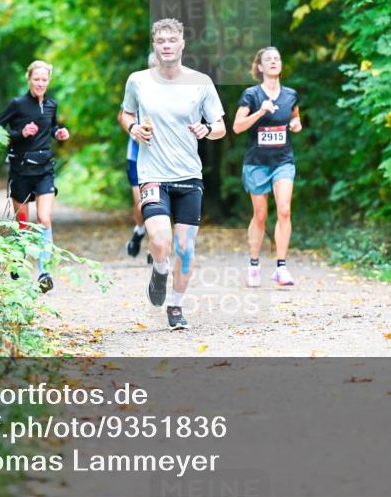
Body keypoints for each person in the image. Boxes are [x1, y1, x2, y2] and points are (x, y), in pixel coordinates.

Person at [119, 18, 226, 330]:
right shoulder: (138, 81)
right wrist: (133, 127)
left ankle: (176, 307)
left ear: (182, 44)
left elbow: (220, 126)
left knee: (186, 250)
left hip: (190, 176)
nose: (166, 45)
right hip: (153, 173)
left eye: (172, 40)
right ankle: (160, 269)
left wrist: (206, 129)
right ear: (155, 46)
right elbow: (124, 113)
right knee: (160, 240)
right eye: (161, 41)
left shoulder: (200, 82)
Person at [0, 60, 70, 293]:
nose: (40, 83)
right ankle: (18, 265)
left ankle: (44, 272)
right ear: (29, 79)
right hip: (21, 169)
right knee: (23, 224)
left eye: (44, 79)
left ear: (48, 81)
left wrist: (60, 133)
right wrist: (20, 133)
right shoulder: (17, 104)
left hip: (44, 168)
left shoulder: (51, 105)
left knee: (45, 219)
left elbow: (53, 128)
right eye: (36, 79)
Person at [232, 46, 302, 287]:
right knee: (260, 215)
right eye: (268, 59)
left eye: (277, 58)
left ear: (281, 65)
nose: (273, 62)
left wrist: (296, 124)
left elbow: (295, 116)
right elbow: (237, 127)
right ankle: (254, 263)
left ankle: (281, 268)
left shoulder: (291, 94)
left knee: (284, 210)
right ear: (260, 67)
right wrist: (260, 112)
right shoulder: (251, 95)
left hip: (283, 161)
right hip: (257, 163)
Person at [117, 53, 159, 262]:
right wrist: (135, 131)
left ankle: (154, 247)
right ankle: (139, 229)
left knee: (159, 203)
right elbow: (122, 115)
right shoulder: (137, 87)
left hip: (162, 158)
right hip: (136, 157)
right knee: (143, 204)